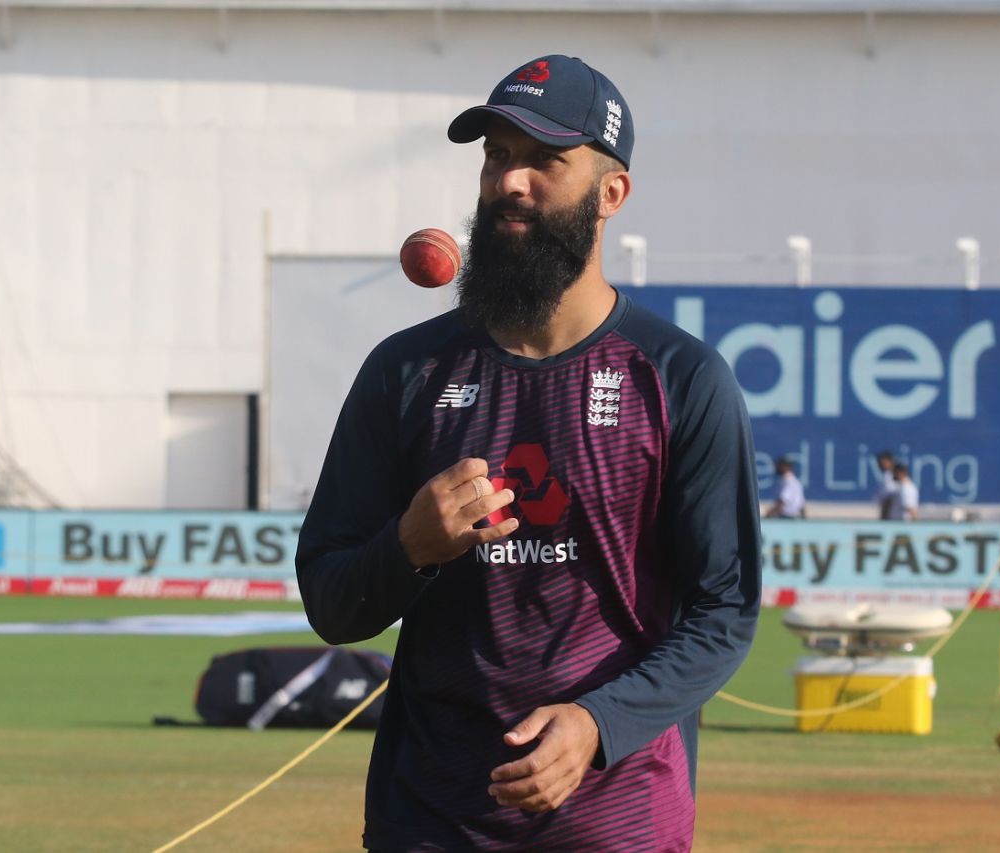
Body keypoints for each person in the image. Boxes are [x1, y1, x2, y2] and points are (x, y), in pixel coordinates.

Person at [295, 55, 761, 852]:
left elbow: (724, 614)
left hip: (616, 818)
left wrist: (597, 722)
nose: (511, 181)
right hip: (430, 816)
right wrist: (409, 546)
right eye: (497, 155)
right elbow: (332, 602)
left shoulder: (680, 377)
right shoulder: (406, 371)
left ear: (611, 193)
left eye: (546, 160)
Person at [875, 450, 897, 520]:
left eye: (884, 462)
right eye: (880, 463)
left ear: (891, 462)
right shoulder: (886, 475)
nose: (882, 465)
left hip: (892, 513)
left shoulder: (895, 476)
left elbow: (890, 496)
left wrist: (885, 512)